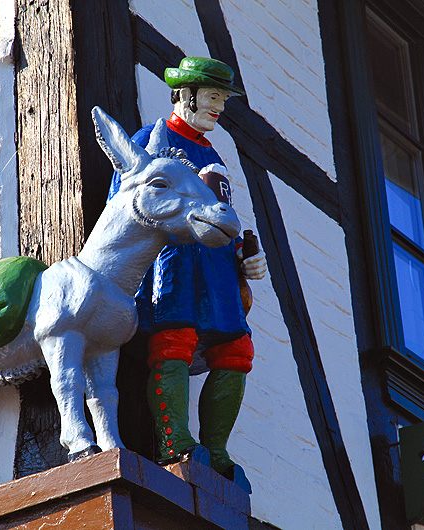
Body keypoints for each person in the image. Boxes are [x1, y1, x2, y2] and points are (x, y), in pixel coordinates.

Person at [108, 57, 266, 492]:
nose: (218, 107)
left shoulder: (215, 156)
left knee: (237, 349)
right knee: (173, 340)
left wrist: (244, 259)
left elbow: (226, 217)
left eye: (222, 100)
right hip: (173, 263)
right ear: (185, 95)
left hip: (216, 271)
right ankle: (176, 440)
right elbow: (124, 207)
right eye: (212, 98)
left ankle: (217, 449)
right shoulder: (151, 140)